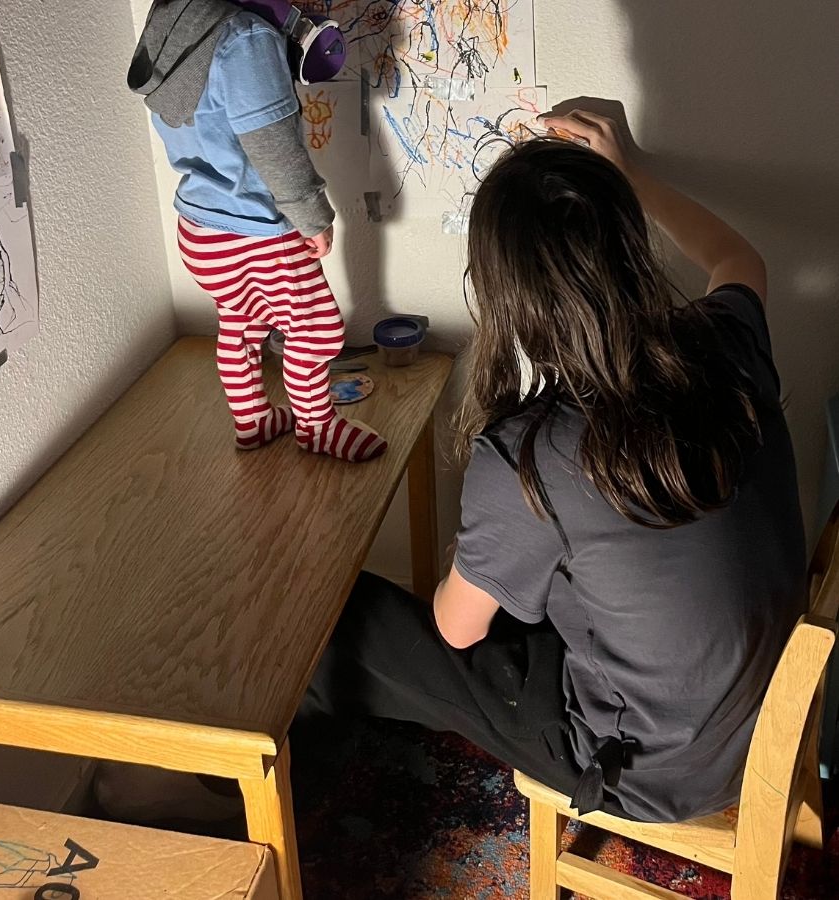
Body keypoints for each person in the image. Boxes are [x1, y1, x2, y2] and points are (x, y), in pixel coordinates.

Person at [300, 108, 807, 822]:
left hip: (642, 771)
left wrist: (472, 554)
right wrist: (631, 173)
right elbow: (737, 258)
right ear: (631, 245)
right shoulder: (723, 342)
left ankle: (237, 786)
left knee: (344, 619)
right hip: (751, 724)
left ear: (505, 294)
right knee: (555, 582)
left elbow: (457, 630)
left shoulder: (530, 454)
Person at [132, 0, 387, 462]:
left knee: (240, 324)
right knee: (318, 330)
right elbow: (271, 142)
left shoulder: (173, 23)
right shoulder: (246, 38)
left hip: (200, 227)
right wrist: (313, 217)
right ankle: (318, 428)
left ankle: (252, 421)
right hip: (257, 231)